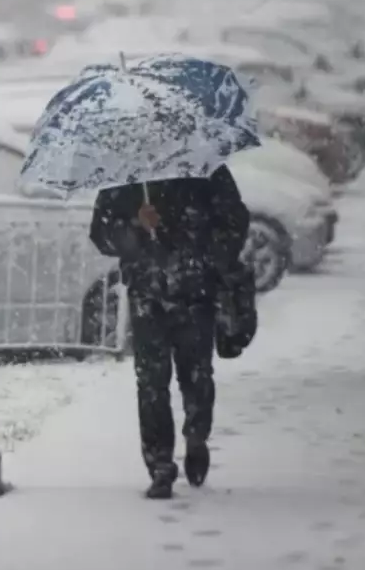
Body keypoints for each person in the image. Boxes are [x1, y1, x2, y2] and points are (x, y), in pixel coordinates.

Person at [89, 164, 250, 499]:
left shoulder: (205, 169)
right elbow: (101, 234)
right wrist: (136, 224)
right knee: (151, 382)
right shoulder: (126, 175)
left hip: (196, 293)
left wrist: (195, 241)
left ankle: (196, 436)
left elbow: (235, 222)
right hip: (147, 295)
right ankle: (160, 464)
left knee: (197, 374)